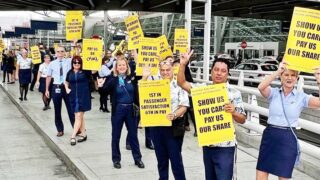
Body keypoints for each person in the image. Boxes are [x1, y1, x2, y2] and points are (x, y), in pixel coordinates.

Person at [177, 50, 246, 180]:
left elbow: (242, 119)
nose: (219, 73)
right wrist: (182, 64)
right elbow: (182, 82)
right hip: (208, 145)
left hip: (226, 146)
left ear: (228, 74)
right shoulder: (203, 90)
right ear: (211, 72)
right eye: (216, 69)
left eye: (223, 71)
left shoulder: (234, 93)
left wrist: (234, 112)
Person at [256, 62, 320, 180]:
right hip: (270, 136)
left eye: (293, 75)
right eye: (286, 75)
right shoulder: (274, 93)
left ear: (297, 78)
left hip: (288, 138)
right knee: (261, 173)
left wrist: (319, 79)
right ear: (281, 77)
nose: (289, 78)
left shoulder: (302, 97)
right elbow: (261, 87)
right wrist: (277, 71)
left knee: (284, 176)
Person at [142, 58, 189, 180]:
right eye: (162, 70)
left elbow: (184, 106)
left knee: (176, 160)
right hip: (157, 127)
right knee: (161, 160)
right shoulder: (154, 84)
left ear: (172, 69)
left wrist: (174, 115)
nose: (165, 72)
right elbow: (142, 96)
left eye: (167, 70)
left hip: (173, 127)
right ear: (159, 70)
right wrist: (144, 78)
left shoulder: (179, 84)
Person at [97, 57, 144, 169]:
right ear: (116, 68)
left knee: (133, 136)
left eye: (124, 65)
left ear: (127, 66)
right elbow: (104, 91)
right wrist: (99, 86)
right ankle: (116, 159)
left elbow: (141, 83)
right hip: (118, 110)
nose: (122, 67)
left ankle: (138, 159)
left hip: (131, 111)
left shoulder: (131, 78)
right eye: (119, 65)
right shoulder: (112, 80)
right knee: (116, 136)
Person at [45, 46, 75, 137]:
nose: (60, 53)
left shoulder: (69, 61)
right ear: (55, 53)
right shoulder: (52, 64)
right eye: (58, 51)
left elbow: (76, 56)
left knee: (71, 109)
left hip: (67, 88)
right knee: (57, 110)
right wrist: (47, 89)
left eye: (62, 51)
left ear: (65, 52)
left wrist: (73, 45)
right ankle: (60, 129)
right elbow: (49, 76)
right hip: (56, 87)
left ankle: (75, 127)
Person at [65, 56, 91, 146]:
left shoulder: (85, 72)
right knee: (80, 116)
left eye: (78, 62)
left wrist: (97, 59)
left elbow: (94, 70)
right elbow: (66, 81)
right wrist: (67, 89)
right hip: (73, 96)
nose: (76, 64)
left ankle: (72, 136)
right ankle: (83, 134)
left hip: (83, 96)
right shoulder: (70, 72)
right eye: (74, 62)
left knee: (78, 116)